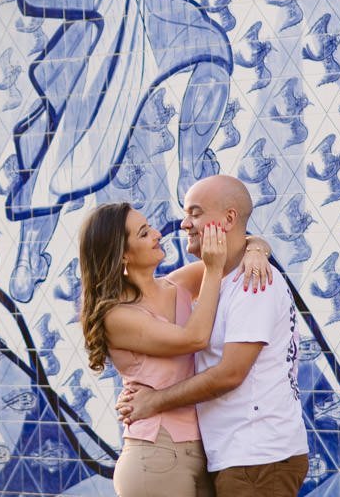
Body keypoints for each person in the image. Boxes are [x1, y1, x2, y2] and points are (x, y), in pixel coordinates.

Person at [117, 174, 308, 496]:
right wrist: (255, 244)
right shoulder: (214, 278)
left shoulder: (254, 282)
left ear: (228, 218)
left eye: (195, 212)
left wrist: (154, 401)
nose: (183, 224)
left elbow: (230, 373)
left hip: (258, 457)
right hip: (234, 455)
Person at [79, 200, 273, 496]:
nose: (157, 234)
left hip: (204, 450)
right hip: (155, 454)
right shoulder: (116, 316)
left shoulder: (178, 285)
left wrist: (257, 248)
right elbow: (194, 339)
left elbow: (236, 248)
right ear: (122, 256)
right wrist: (211, 268)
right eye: (143, 233)